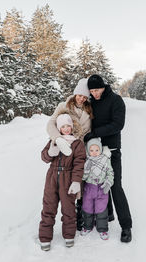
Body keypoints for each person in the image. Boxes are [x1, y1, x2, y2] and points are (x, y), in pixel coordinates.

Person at [84, 74, 133, 243]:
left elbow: (118, 124)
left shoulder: (116, 100)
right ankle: (108, 213)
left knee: (115, 186)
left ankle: (126, 226)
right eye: (92, 91)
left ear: (103, 87)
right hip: (94, 152)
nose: (95, 93)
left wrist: (96, 133)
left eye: (97, 90)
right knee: (97, 182)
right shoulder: (90, 103)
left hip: (111, 150)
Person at [46, 78, 93, 230]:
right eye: (80, 95)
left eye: (85, 97)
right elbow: (50, 124)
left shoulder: (89, 110)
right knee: (62, 184)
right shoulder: (63, 106)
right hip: (63, 148)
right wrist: (58, 139)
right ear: (75, 93)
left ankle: (78, 216)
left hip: (80, 149)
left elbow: (90, 131)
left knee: (78, 181)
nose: (82, 98)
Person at [39, 113, 86, 251]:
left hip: (68, 177)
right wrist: (50, 153)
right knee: (48, 207)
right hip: (52, 177)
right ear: (59, 128)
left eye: (68, 126)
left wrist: (76, 181)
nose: (66, 129)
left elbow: (79, 163)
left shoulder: (77, 143)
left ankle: (69, 235)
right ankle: (45, 237)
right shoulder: (54, 141)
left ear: (72, 127)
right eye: (63, 126)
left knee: (68, 208)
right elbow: (44, 157)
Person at [80, 138, 114, 240]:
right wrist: (86, 169)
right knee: (87, 208)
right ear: (88, 151)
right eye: (91, 150)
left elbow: (110, 173)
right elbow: (83, 178)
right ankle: (87, 226)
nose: (94, 153)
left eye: (96, 150)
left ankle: (102, 229)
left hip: (102, 188)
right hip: (89, 188)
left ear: (100, 150)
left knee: (101, 209)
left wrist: (108, 183)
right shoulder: (87, 161)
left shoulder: (105, 160)